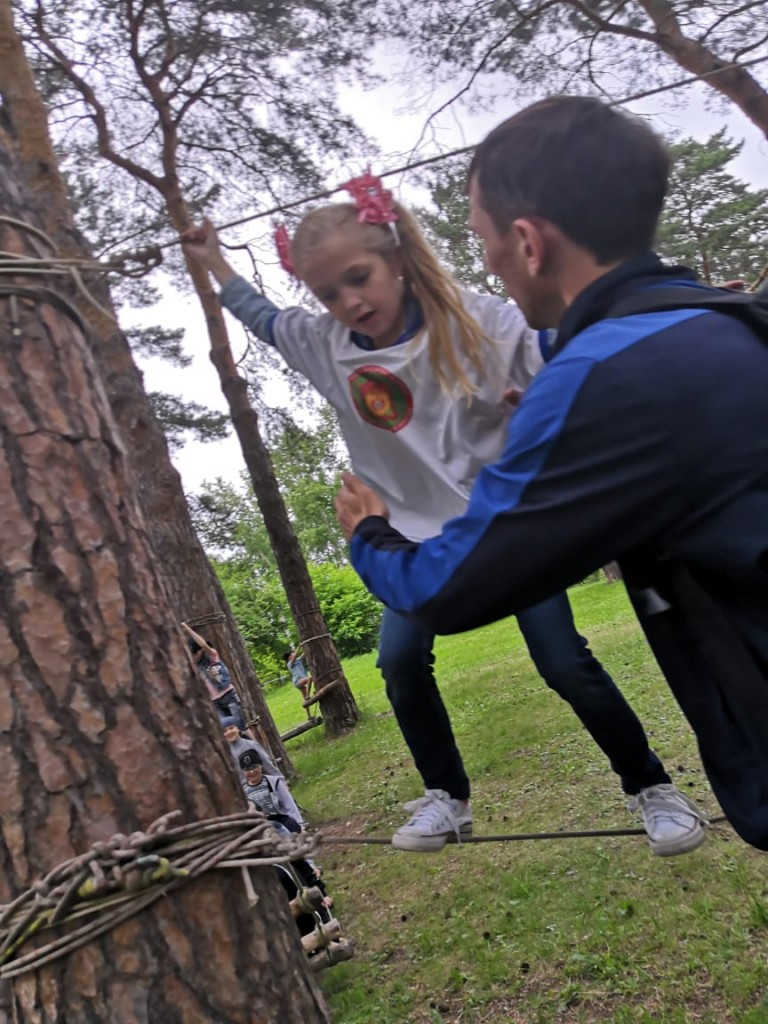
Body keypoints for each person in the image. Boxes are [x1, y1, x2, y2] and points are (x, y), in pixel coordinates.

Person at [181, 179, 704, 858]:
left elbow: (570, 349)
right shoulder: (325, 344)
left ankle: (652, 787)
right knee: (399, 663)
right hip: (408, 539)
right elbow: (260, 314)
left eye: (358, 278)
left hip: (503, 526)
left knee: (563, 662)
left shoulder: (478, 322)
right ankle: (448, 800)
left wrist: (661, 326)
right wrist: (213, 261)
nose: (349, 303)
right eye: (328, 294)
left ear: (396, 258)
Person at [335, 96, 768, 851]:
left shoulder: (599, 377)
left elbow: (444, 589)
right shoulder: (731, 319)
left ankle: (648, 784)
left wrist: (369, 533)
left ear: (530, 242)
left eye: (484, 239)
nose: (487, 264)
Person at [181, 621, 247, 730]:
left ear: (200, 652)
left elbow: (203, 644)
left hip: (228, 695)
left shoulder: (212, 657)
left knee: (241, 726)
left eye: (195, 654)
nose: (194, 657)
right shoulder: (194, 667)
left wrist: (187, 629)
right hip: (215, 701)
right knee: (225, 728)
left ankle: (252, 741)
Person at [220, 715, 283, 780]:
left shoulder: (251, 745)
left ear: (238, 728)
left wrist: (280, 781)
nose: (229, 732)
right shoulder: (224, 753)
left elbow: (268, 765)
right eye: (225, 731)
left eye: (231, 728)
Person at [283, 648, 312, 715]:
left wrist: (305, 646)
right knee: (309, 678)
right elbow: (296, 655)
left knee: (305, 700)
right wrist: (299, 646)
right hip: (297, 682)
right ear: (289, 657)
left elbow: (304, 654)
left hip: (301, 681)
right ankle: (308, 695)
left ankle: (309, 716)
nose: (293, 654)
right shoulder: (290, 664)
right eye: (292, 654)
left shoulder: (298, 660)